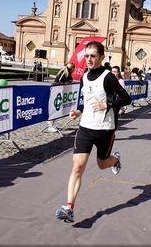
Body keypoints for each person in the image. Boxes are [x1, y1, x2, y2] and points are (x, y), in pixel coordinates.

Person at [55, 41, 131, 222]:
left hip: (105, 129)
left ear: (101, 57)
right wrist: (79, 111)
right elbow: (87, 99)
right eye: (86, 56)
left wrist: (109, 104)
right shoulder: (84, 76)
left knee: (102, 164)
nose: (88, 59)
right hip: (86, 127)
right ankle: (69, 208)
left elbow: (126, 98)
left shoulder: (108, 77)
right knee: (77, 167)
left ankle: (116, 159)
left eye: (93, 56)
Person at [47, 63, 75, 132]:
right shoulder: (64, 72)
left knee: (57, 108)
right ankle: (50, 124)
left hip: (58, 90)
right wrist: (64, 82)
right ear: (72, 69)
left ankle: (52, 123)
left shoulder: (66, 72)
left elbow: (71, 79)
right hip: (57, 90)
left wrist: (66, 81)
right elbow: (60, 80)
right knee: (56, 107)